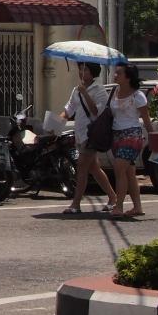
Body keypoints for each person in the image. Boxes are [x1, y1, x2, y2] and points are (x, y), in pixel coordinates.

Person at [58, 62, 117, 215]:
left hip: (91, 134)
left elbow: (96, 111)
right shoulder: (76, 89)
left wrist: (85, 93)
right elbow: (69, 109)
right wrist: (57, 121)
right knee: (94, 168)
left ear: (93, 72)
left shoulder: (99, 89)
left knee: (82, 167)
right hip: (80, 134)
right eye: (80, 69)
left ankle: (76, 204)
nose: (81, 72)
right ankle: (113, 197)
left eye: (85, 70)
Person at [108, 63, 152, 219]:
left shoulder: (137, 96)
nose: (115, 75)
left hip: (132, 135)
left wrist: (153, 138)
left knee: (119, 169)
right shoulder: (114, 92)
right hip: (116, 135)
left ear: (128, 77)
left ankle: (119, 206)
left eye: (119, 73)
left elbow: (146, 119)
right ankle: (137, 207)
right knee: (129, 172)